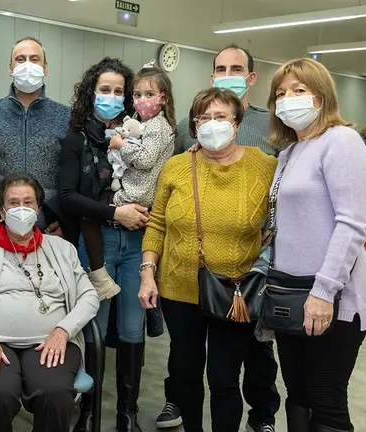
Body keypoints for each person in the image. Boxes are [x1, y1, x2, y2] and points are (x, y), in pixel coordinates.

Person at [138, 87, 277, 432]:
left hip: (236, 292)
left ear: (237, 123)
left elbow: (296, 208)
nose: (211, 124)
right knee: (185, 372)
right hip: (178, 288)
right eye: (203, 118)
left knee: (223, 377)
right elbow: (157, 223)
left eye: (220, 117)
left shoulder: (264, 165)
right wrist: (147, 272)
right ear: (194, 124)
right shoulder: (177, 166)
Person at [266, 57, 366, 432]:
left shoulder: (341, 141)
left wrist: (324, 291)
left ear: (322, 96)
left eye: (299, 90)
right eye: (280, 93)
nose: (287, 99)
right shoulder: (290, 152)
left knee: (327, 399)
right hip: (290, 293)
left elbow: (351, 222)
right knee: (297, 394)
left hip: (333, 296)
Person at [0, 173, 100, 432]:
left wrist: (64, 330)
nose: (22, 209)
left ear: (38, 209)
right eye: (13, 203)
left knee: (55, 392)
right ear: (1, 212)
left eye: (28, 203)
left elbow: (89, 296)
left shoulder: (61, 249)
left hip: (50, 342)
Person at [58, 57, 149, 432]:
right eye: (104, 90)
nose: (111, 97)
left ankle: (128, 414)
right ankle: (89, 413)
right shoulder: (76, 139)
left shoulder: (142, 138)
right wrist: (115, 213)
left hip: (138, 244)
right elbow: (67, 196)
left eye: (118, 91)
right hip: (97, 244)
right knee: (93, 326)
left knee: (131, 329)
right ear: (90, 93)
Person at [80, 61, 176, 301]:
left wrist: (120, 145)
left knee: (95, 208)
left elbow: (144, 159)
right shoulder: (139, 124)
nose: (142, 99)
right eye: (137, 94)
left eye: (150, 94)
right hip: (126, 199)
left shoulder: (158, 126)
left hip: (138, 198)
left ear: (163, 98)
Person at [0, 37, 70, 239]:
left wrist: (64, 219)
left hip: (49, 229)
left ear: (45, 68)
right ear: (10, 68)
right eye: (20, 59)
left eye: (34, 59)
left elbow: (69, 176)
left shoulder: (65, 116)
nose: (27, 65)